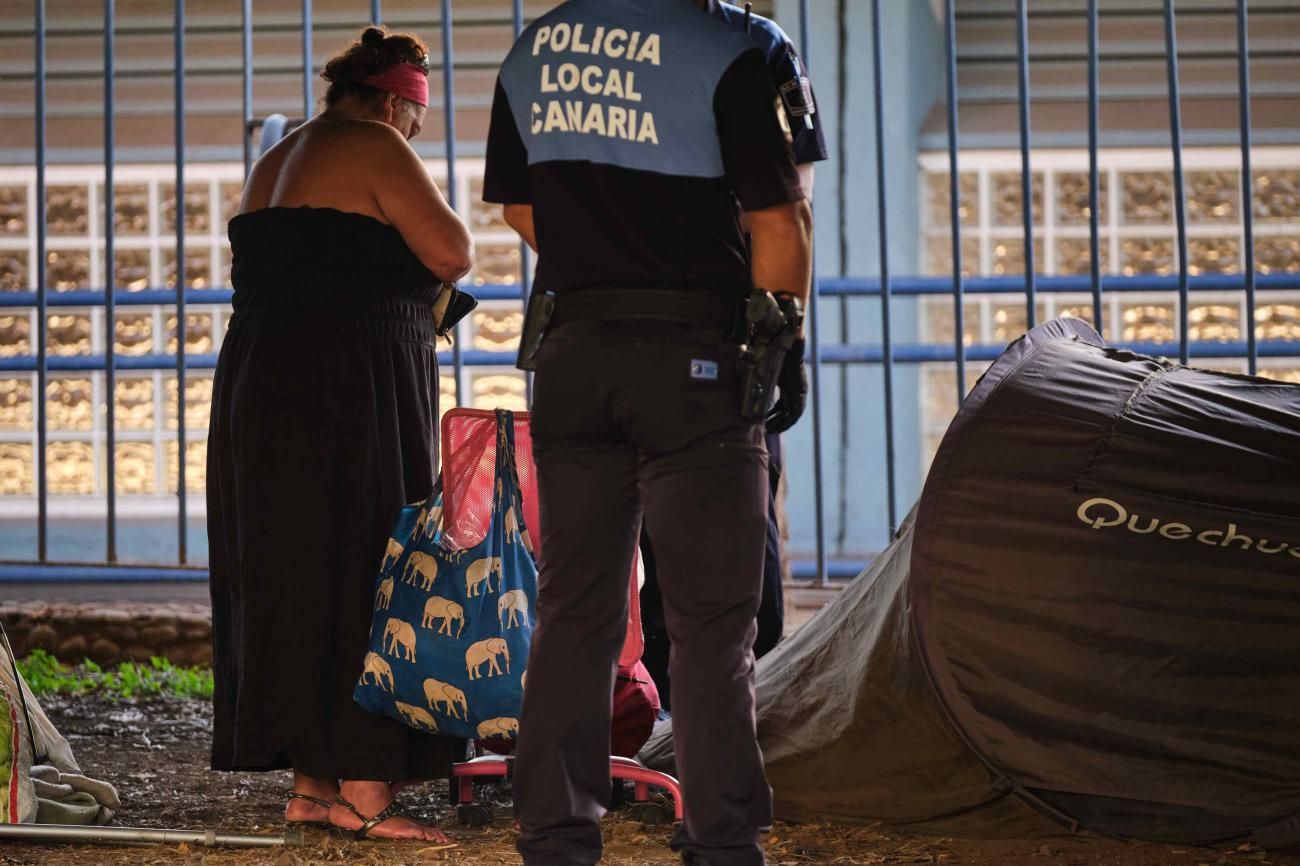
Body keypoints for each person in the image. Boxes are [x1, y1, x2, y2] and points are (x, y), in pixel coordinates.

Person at [483, 0, 813, 863]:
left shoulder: (537, 47)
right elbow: (781, 218)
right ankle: (722, 842)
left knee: (575, 612)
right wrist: (782, 339)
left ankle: (555, 835)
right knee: (711, 626)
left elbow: (519, 208)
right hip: (694, 360)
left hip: (573, 353)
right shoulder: (733, 45)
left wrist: (609, 254)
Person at [206, 25, 473, 842]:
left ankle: (311, 785)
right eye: (414, 118)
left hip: (258, 384)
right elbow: (452, 250)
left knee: (291, 572)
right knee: (367, 563)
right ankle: (365, 790)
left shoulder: (275, 158)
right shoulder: (375, 146)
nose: (416, 134)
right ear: (394, 102)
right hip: (345, 387)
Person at [639, 0, 829, 711]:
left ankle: (656, 721)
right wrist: (784, 337)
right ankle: (743, 717)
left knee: (640, 538)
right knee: (737, 526)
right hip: (727, 315)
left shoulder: (597, 44)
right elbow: (790, 200)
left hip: (620, 317)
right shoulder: (754, 44)